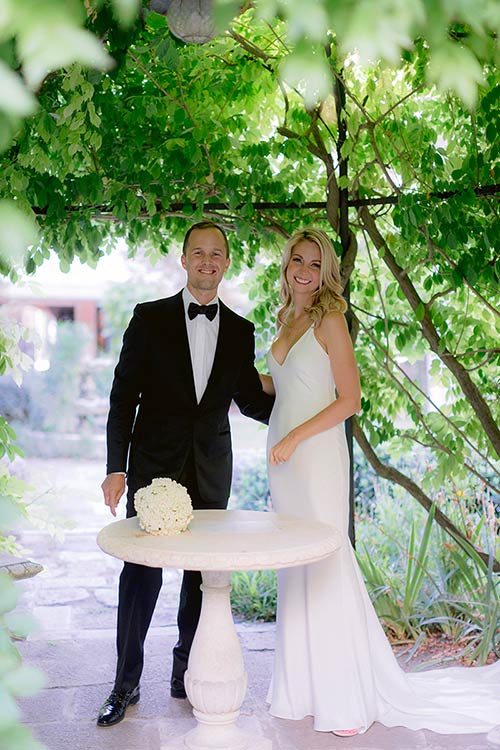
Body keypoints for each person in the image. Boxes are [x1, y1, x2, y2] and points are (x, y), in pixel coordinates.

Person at [259, 227, 500, 737]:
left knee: (324, 563)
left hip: (314, 454)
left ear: (325, 272)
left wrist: (296, 437)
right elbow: (280, 385)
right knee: (294, 568)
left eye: (313, 263)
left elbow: (349, 400)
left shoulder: (331, 320)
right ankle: (301, 689)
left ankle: (344, 699)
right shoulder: (285, 318)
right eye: (296, 260)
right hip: (282, 460)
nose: (303, 270)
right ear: (286, 266)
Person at [97, 220, 274, 727]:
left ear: (226, 262)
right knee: (141, 575)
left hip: (211, 468)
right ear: (184, 259)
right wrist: (116, 468)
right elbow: (122, 398)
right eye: (198, 252)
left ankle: (185, 673)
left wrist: (301, 406)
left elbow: (249, 401)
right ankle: (124, 684)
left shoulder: (241, 331)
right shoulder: (148, 319)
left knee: (201, 580)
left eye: (216, 253)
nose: (207, 261)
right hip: (152, 468)